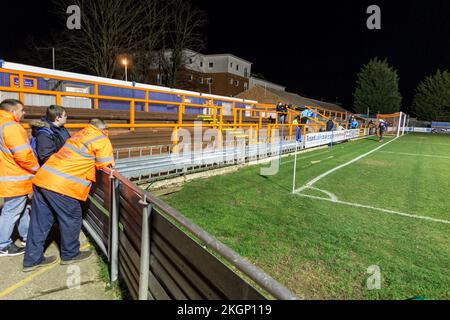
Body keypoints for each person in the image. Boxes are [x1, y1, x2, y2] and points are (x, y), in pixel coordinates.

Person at [23, 119, 115, 272]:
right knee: (72, 217)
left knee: (39, 222)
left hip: (43, 178)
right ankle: (70, 254)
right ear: (104, 129)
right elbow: (106, 166)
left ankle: (31, 260)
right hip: (62, 185)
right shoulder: (101, 139)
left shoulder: (80, 134)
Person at [0, 99, 39, 257]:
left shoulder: (3, 124)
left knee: (21, 210)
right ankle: (3, 244)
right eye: (22, 110)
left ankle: (26, 236)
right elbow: (23, 155)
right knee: (11, 212)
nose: (24, 113)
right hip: (15, 177)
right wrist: (37, 169)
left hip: (9, 176)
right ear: (12, 111)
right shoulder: (12, 127)